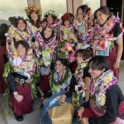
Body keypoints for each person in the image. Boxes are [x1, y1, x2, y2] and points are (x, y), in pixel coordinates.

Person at [77, 56, 124, 124]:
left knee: (84, 119)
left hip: (113, 117)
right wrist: (83, 106)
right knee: (80, 114)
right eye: (89, 67)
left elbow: (111, 117)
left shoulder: (111, 89)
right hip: (100, 109)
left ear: (103, 69)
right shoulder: (97, 80)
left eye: (93, 68)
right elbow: (93, 98)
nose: (89, 71)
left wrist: (89, 121)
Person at [4, 40, 36, 121]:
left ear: (26, 49)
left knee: (28, 103)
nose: (20, 49)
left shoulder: (31, 58)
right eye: (18, 47)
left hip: (27, 82)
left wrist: (29, 74)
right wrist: (15, 93)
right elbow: (9, 75)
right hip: (16, 83)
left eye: (22, 47)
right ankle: (17, 113)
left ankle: (25, 108)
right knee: (18, 99)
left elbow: (33, 72)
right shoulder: (13, 58)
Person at [40, 58, 77, 124]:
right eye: (56, 64)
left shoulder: (70, 76)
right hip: (54, 96)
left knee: (56, 107)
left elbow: (74, 90)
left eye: (59, 65)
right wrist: (46, 97)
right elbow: (50, 89)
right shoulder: (52, 76)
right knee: (44, 105)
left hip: (66, 97)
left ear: (64, 67)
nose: (57, 67)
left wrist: (64, 95)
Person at [93, 6, 123, 78]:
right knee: (100, 80)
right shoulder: (97, 30)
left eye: (100, 15)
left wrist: (118, 61)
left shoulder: (116, 27)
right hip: (99, 60)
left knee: (110, 81)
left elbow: (120, 46)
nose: (98, 18)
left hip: (111, 61)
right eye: (97, 17)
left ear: (107, 14)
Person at [34, 25, 58, 96]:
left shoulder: (53, 42)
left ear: (52, 33)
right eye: (45, 30)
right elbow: (34, 51)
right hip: (37, 63)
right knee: (39, 79)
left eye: (49, 31)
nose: (47, 33)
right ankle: (42, 95)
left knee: (46, 79)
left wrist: (48, 69)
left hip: (48, 64)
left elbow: (51, 56)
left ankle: (46, 96)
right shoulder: (38, 39)